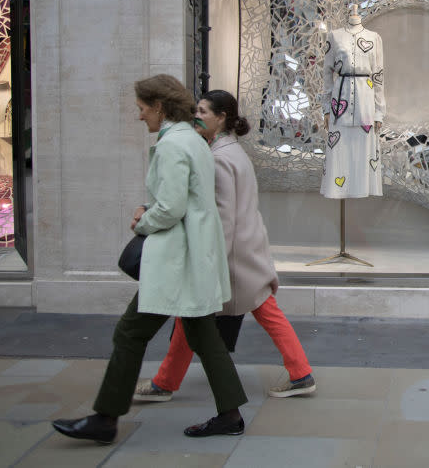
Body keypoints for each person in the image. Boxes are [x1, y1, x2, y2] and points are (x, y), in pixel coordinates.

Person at [52, 75, 247, 444]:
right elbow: (186, 200)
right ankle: (230, 414)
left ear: (159, 106)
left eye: (142, 108)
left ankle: (105, 419)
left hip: (176, 261)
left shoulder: (174, 145)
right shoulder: (193, 140)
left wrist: (145, 220)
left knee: (130, 332)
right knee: (204, 337)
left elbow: (172, 207)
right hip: (192, 257)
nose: (139, 116)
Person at [134, 89, 316, 401]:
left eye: (203, 112)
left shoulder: (218, 158)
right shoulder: (232, 152)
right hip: (246, 249)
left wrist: (209, 258)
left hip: (232, 255)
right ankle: (300, 373)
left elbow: (221, 217)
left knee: (191, 315)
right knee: (227, 314)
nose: (196, 117)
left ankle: (164, 383)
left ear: (221, 118)